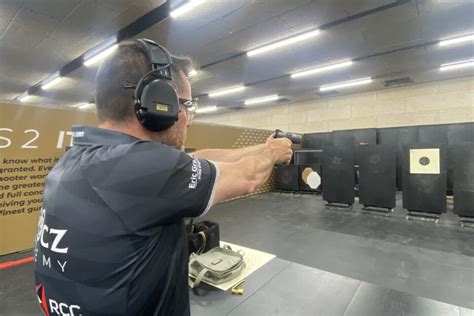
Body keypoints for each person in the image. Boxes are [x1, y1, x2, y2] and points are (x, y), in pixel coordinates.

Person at [34, 39, 292, 316]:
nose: (188, 119)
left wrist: (263, 147)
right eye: (186, 105)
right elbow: (249, 176)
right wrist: (272, 155)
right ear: (158, 103)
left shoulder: (79, 156)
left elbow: (194, 159)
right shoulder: (147, 167)